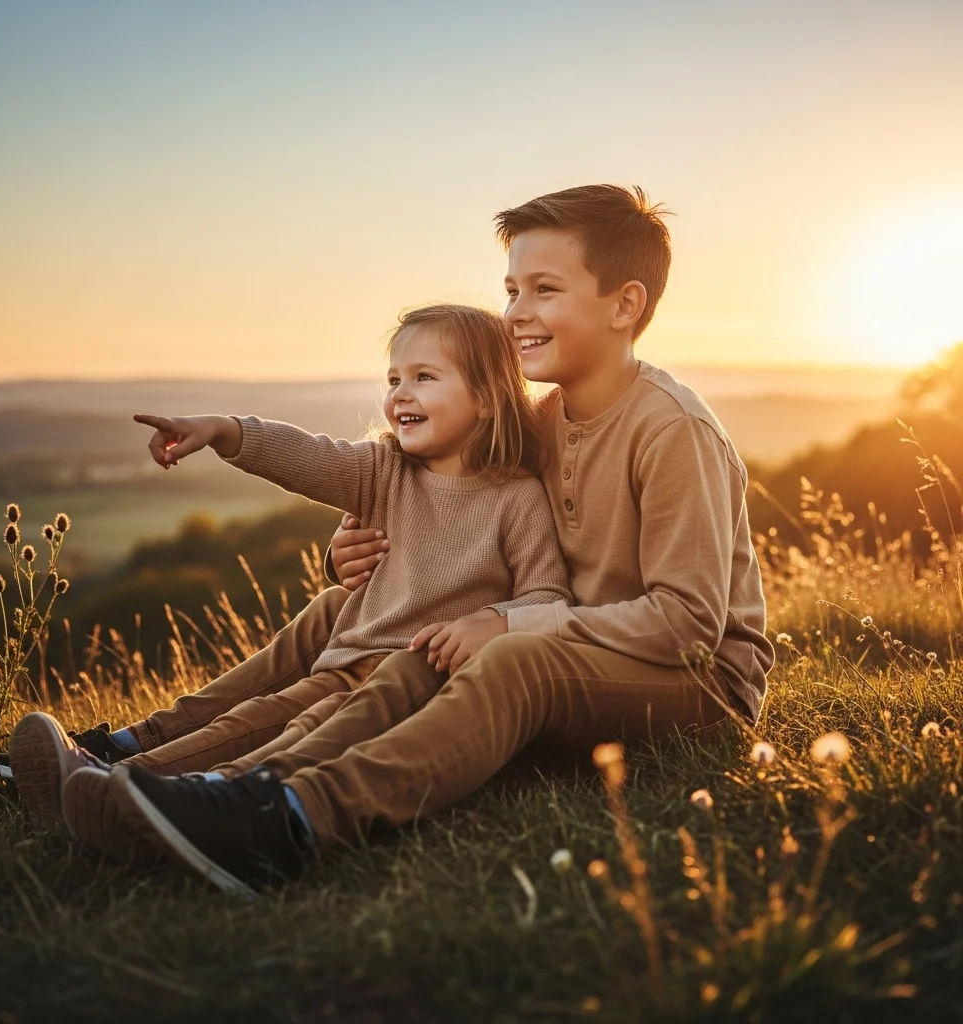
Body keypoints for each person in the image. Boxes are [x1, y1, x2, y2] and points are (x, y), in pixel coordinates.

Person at [67, 183, 775, 898]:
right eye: (512, 289)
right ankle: (219, 783)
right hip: (582, 650)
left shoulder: (671, 431)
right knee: (413, 649)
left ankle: (291, 821)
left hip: (697, 681)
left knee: (514, 662)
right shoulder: (540, 420)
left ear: (625, 305)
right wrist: (348, 547)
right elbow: (437, 483)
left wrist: (508, 621)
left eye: (545, 289)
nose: (517, 314)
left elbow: (686, 625)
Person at [8, 304, 571, 862]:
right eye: (394, 378)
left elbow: (547, 597)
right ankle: (106, 778)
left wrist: (496, 621)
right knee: (251, 718)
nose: (401, 393)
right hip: (347, 662)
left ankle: (173, 794)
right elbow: (305, 455)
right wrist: (224, 431)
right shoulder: (383, 471)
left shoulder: (517, 500)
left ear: (487, 396)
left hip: (413, 684)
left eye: (425, 377)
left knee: (295, 734)